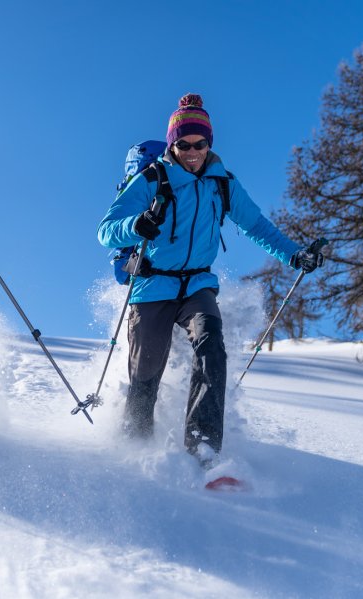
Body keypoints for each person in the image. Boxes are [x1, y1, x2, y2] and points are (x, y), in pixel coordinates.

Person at [97, 94, 323, 466]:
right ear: (172, 144)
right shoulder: (151, 178)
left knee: (211, 347)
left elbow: (256, 225)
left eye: (199, 144)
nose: (192, 151)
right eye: (183, 144)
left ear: (209, 144)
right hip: (153, 285)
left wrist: (294, 254)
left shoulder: (223, 183)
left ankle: (202, 447)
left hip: (198, 285)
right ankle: (133, 446)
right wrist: (135, 225)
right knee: (145, 373)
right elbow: (106, 231)